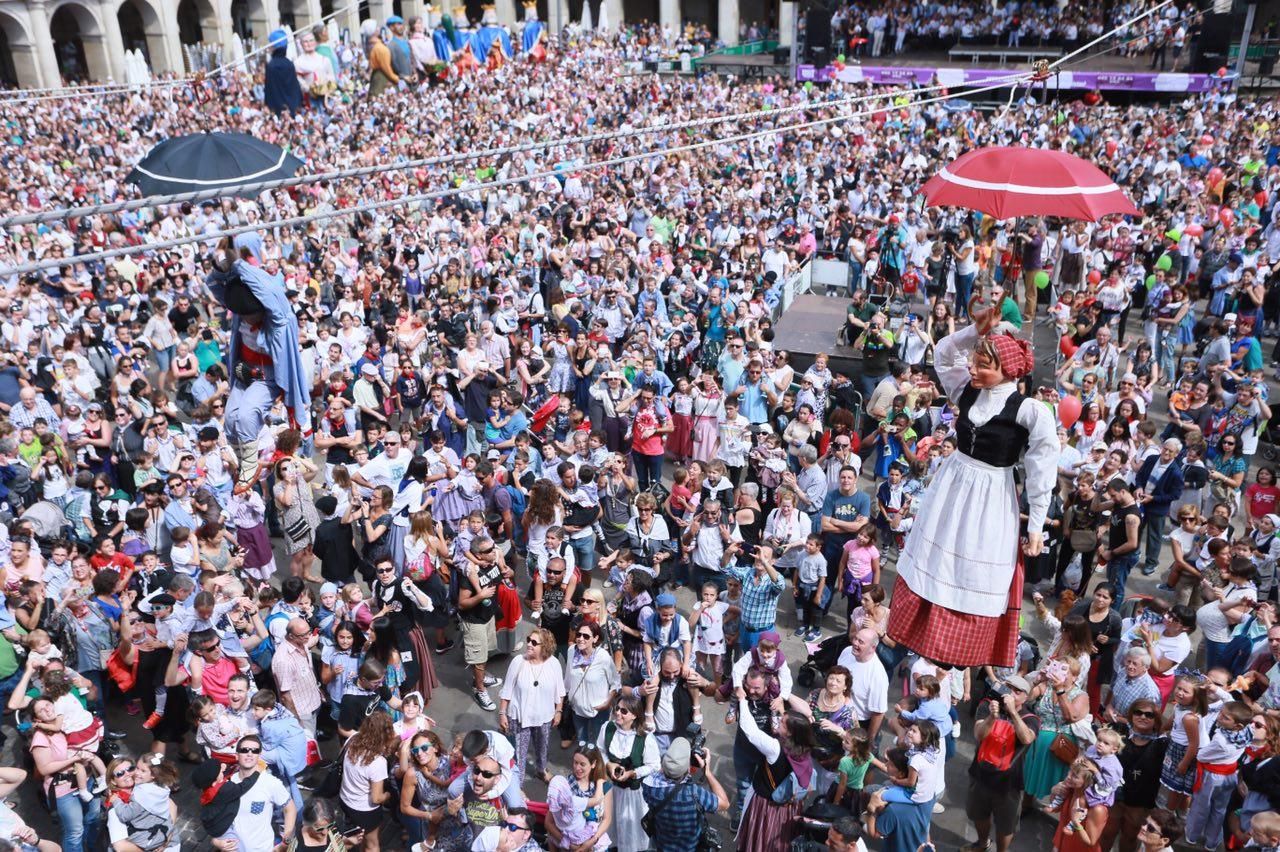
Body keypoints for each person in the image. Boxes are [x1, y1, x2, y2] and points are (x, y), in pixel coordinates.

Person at [887, 310, 1058, 668]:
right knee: (939, 558)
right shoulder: (966, 390)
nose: (974, 370)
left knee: (973, 566)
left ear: (1008, 369)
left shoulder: (1030, 411)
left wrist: (1037, 526)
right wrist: (974, 331)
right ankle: (923, 637)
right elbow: (944, 354)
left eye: (984, 365)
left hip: (992, 493)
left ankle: (959, 650)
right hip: (952, 483)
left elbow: (1042, 471)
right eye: (975, 362)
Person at [964, 675, 1039, 852]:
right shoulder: (987, 705)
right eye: (1008, 687)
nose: (1011, 693)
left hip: (1009, 783)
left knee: (1006, 824)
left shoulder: (1030, 718)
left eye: (1017, 691)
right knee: (978, 814)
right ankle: (983, 844)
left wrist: (1013, 712)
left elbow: (1027, 738)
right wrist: (991, 717)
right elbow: (979, 734)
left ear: (1025, 697)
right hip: (980, 774)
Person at [498, 626, 565, 785]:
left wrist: (559, 710)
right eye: (528, 640)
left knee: (543, 747)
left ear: (545, 647)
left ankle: (541, 769)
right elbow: (507, 689)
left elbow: (560, 690)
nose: (529, 644)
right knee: (518, 753)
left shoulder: (553, 663)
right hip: (520, 718)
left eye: (534, 642)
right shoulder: (518, 662)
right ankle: (518, 784)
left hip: (544, 717)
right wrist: (502, 712)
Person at [640, 737, 730, 852]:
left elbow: (661, 775)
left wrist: (672, 766)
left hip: (663, 845)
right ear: (687, 769)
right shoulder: (694, 793)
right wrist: (707, 772)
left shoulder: (648, 787)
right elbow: (725, 803)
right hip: (691, 847)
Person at [218, 734, 297, 852]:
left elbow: (290, 808)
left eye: (254, 751)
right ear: (237, 755)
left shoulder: (270, 783)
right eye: (244, 750)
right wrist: (217, 841)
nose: (250, 754)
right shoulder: (227, 782)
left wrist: (286, 841)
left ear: (259, 755)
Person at [339, 711, 398, 852]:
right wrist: (389, 794)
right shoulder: (378, 762)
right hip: (365, 810)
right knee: (372, 845)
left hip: (345, 801)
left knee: (357, 836)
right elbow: (377, 798)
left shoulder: (352, 741)